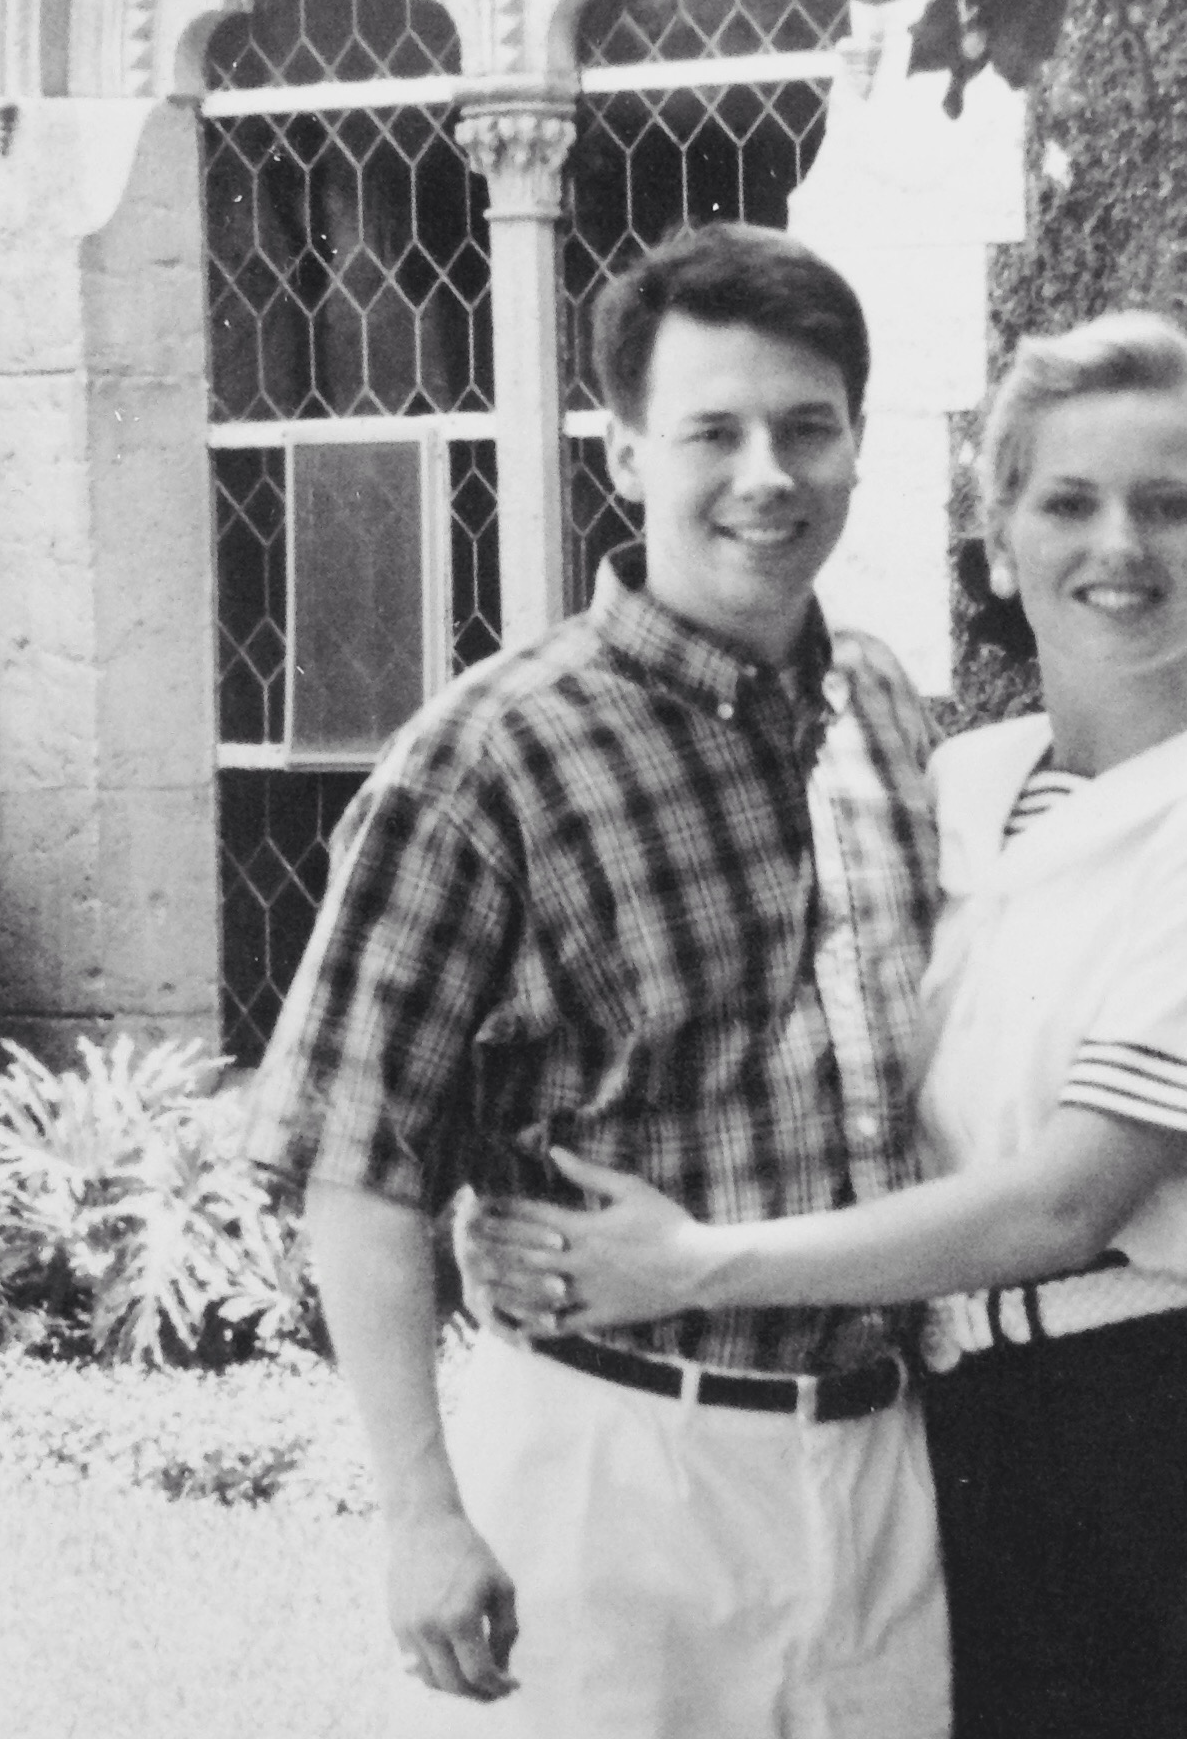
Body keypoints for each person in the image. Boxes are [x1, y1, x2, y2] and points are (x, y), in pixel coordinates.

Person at [461, 311, 1187, 1739]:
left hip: (1172, 1465)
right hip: (949, 1451)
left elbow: (1068, 1203)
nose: (1120, 546)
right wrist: (525, 1212)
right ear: (998, 538)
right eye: (1067, 502)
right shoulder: (953, 782)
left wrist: (690, 1263)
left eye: (1169, 504)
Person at [244, 224, 951, 1738]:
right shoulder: (489, 756)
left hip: (887, 1478)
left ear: (857, 442)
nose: (767, 475)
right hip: (617, 1471)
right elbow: (359, 1163)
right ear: (625, 451)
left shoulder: (888, 712)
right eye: (713, 432)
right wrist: (422, 1515)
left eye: (808, 427)